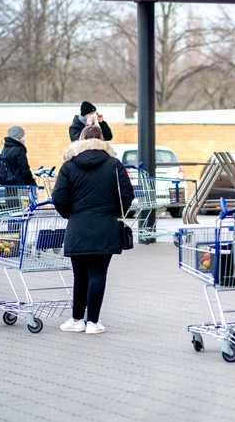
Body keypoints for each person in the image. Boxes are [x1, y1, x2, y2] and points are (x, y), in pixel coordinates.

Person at [53, 125, 134, 334]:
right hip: (105, 225)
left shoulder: (69, 165)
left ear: (80, 140)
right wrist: (114, 211)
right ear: (102, 139)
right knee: (98, 274)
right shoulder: (114, 165)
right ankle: (93, 322)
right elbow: (127, 194)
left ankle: (77, 319)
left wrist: (72, 213)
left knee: (79, 275)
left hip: (78, 226)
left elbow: (59, 198)